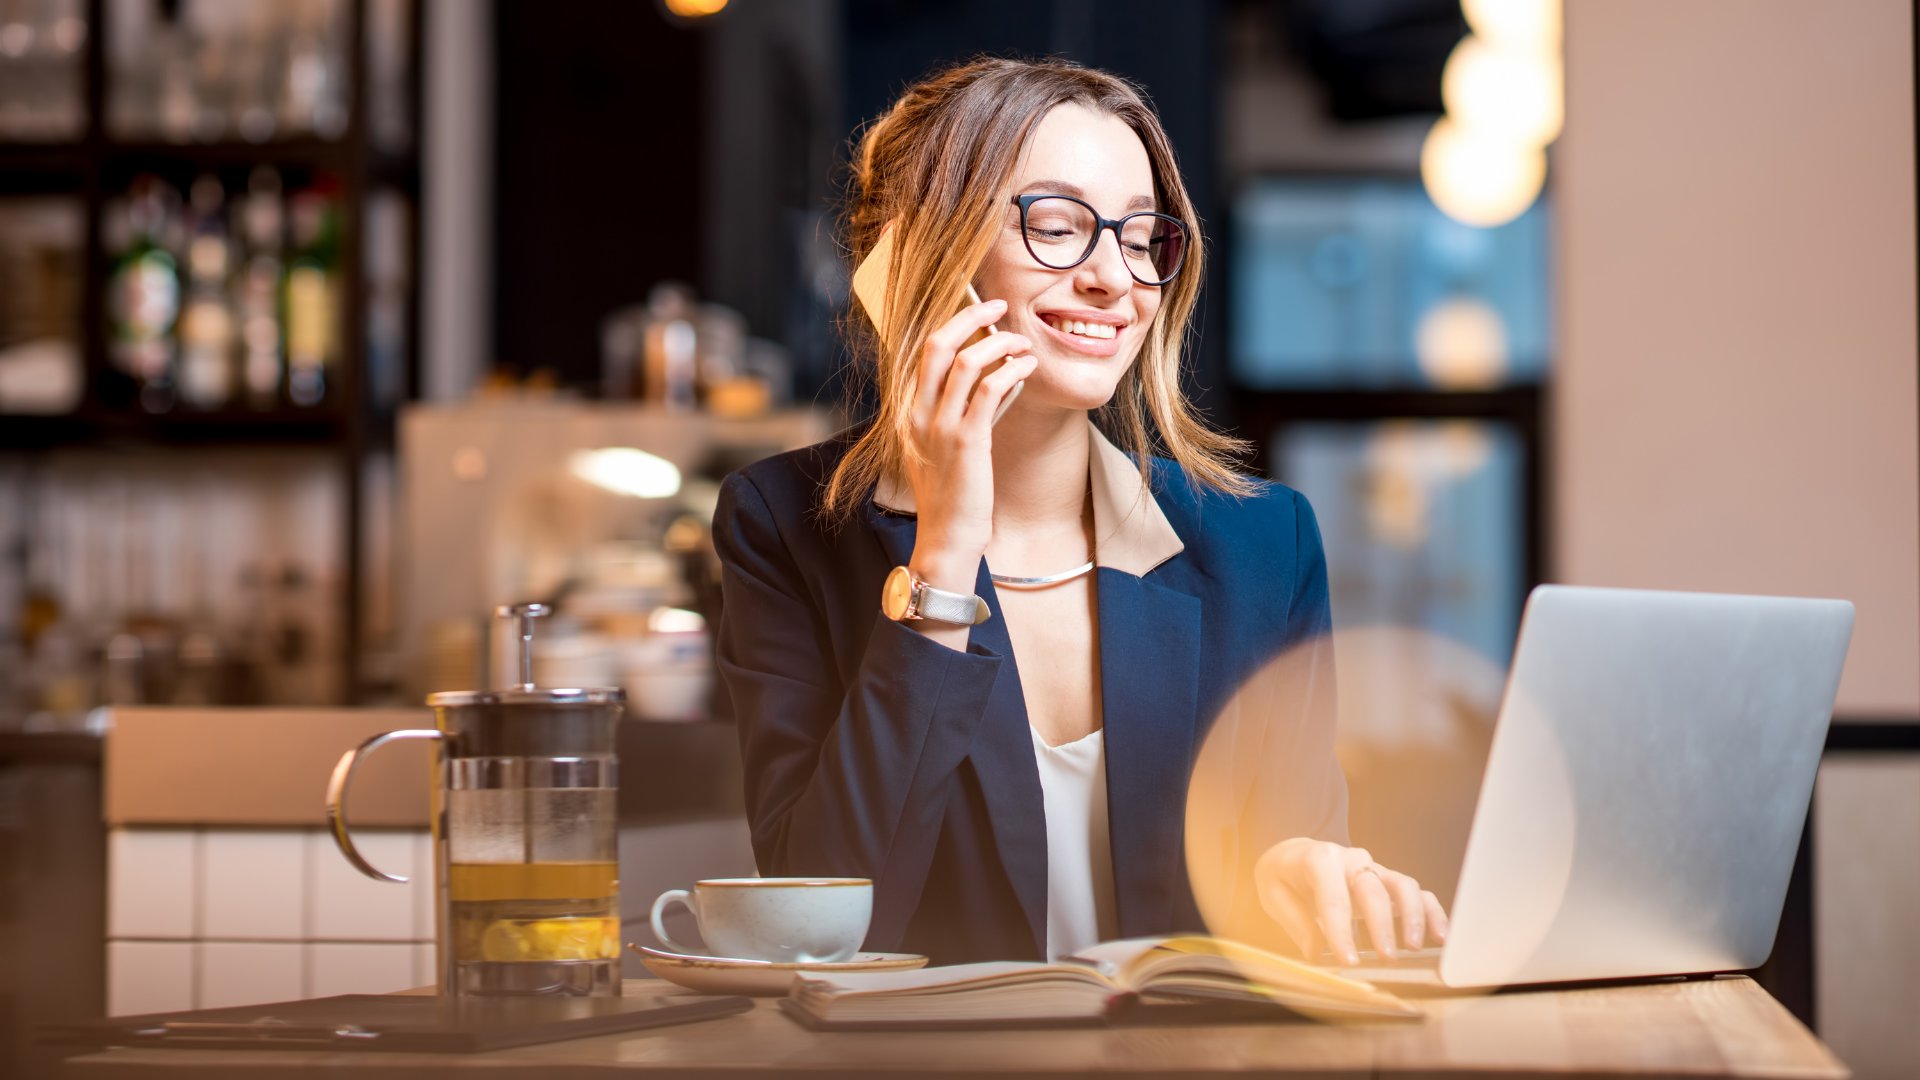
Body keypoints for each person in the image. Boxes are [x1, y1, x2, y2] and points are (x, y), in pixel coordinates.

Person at [710, 56, 1447, 966]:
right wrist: (944, 549)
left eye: (1142, 239)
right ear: (917, 262)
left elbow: (1289, 885)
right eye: (1057, 227)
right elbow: (824, 927)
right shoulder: (781, 526)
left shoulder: (1263, 543)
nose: (1116, 279)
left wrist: (1301, 875)